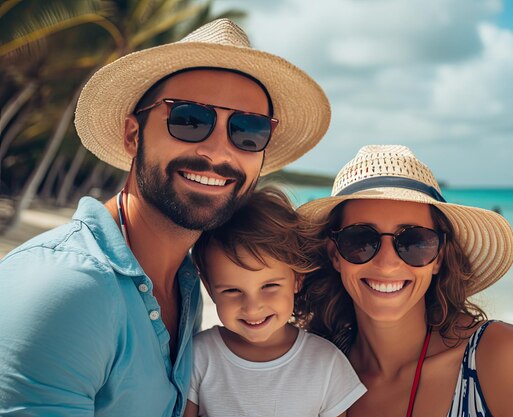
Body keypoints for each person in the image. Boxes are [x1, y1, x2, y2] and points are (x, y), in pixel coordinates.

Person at [0, 19, 330, 417]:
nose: (218, 152)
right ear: (133, 135)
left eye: (248, 130)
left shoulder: (184, 283)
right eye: (189, 120)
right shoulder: (66, 289)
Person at [296, 145, 513, 417]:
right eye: (360, 240)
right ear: (334, 255)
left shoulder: (501, 356)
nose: (386, 263)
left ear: (439, 258)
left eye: (414, 241)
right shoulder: (317, 368)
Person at [184, 187, 366, 417]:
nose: (252, 307)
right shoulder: (200, 356)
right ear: (209, 289)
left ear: (297, 280)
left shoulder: (326, 363)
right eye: (232, 290)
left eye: (269, 286)